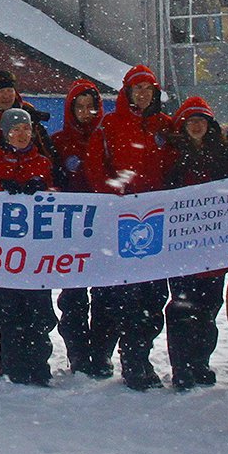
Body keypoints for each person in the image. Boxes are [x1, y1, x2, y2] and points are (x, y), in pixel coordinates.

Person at [83, 63, 177, 389]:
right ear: (127, 92)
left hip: (157, 223)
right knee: (118, 294)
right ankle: (119, 356)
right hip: (120, 221)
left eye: (148, 89)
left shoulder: (166, 127)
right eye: (137, 88)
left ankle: (139, 352)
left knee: (152, 297)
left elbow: (182, 165)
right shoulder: (110, 126)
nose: (143, 94)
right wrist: (117, 198)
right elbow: (96, 168)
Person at [0, 107, 58, 386]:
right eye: (15, 129)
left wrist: (42, 190)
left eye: (26, 129)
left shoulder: (43, 163)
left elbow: (61, 201)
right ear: (5, 133)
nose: (21, 134)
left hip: (31, 255)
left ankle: (35, 364)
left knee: (36, 312)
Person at [163, 95, 228, 391]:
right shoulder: (171, 154)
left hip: (212, 244)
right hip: (181, 244)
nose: (196, 126)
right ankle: (181, 365)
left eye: (201, 121)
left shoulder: (224, 153)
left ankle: (200, 361)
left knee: (208, 307)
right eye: (191, 121)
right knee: (181, 307)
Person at [49, 79, 105, 375]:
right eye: (79, 107)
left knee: (106, 297)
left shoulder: (109, 138)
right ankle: (78, 353)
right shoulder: (58, 142)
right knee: (72, 298)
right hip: (70, 231)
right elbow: (52, 180)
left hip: (104, 229)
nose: (85, 112)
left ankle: (102, 352)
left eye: (90, 106)